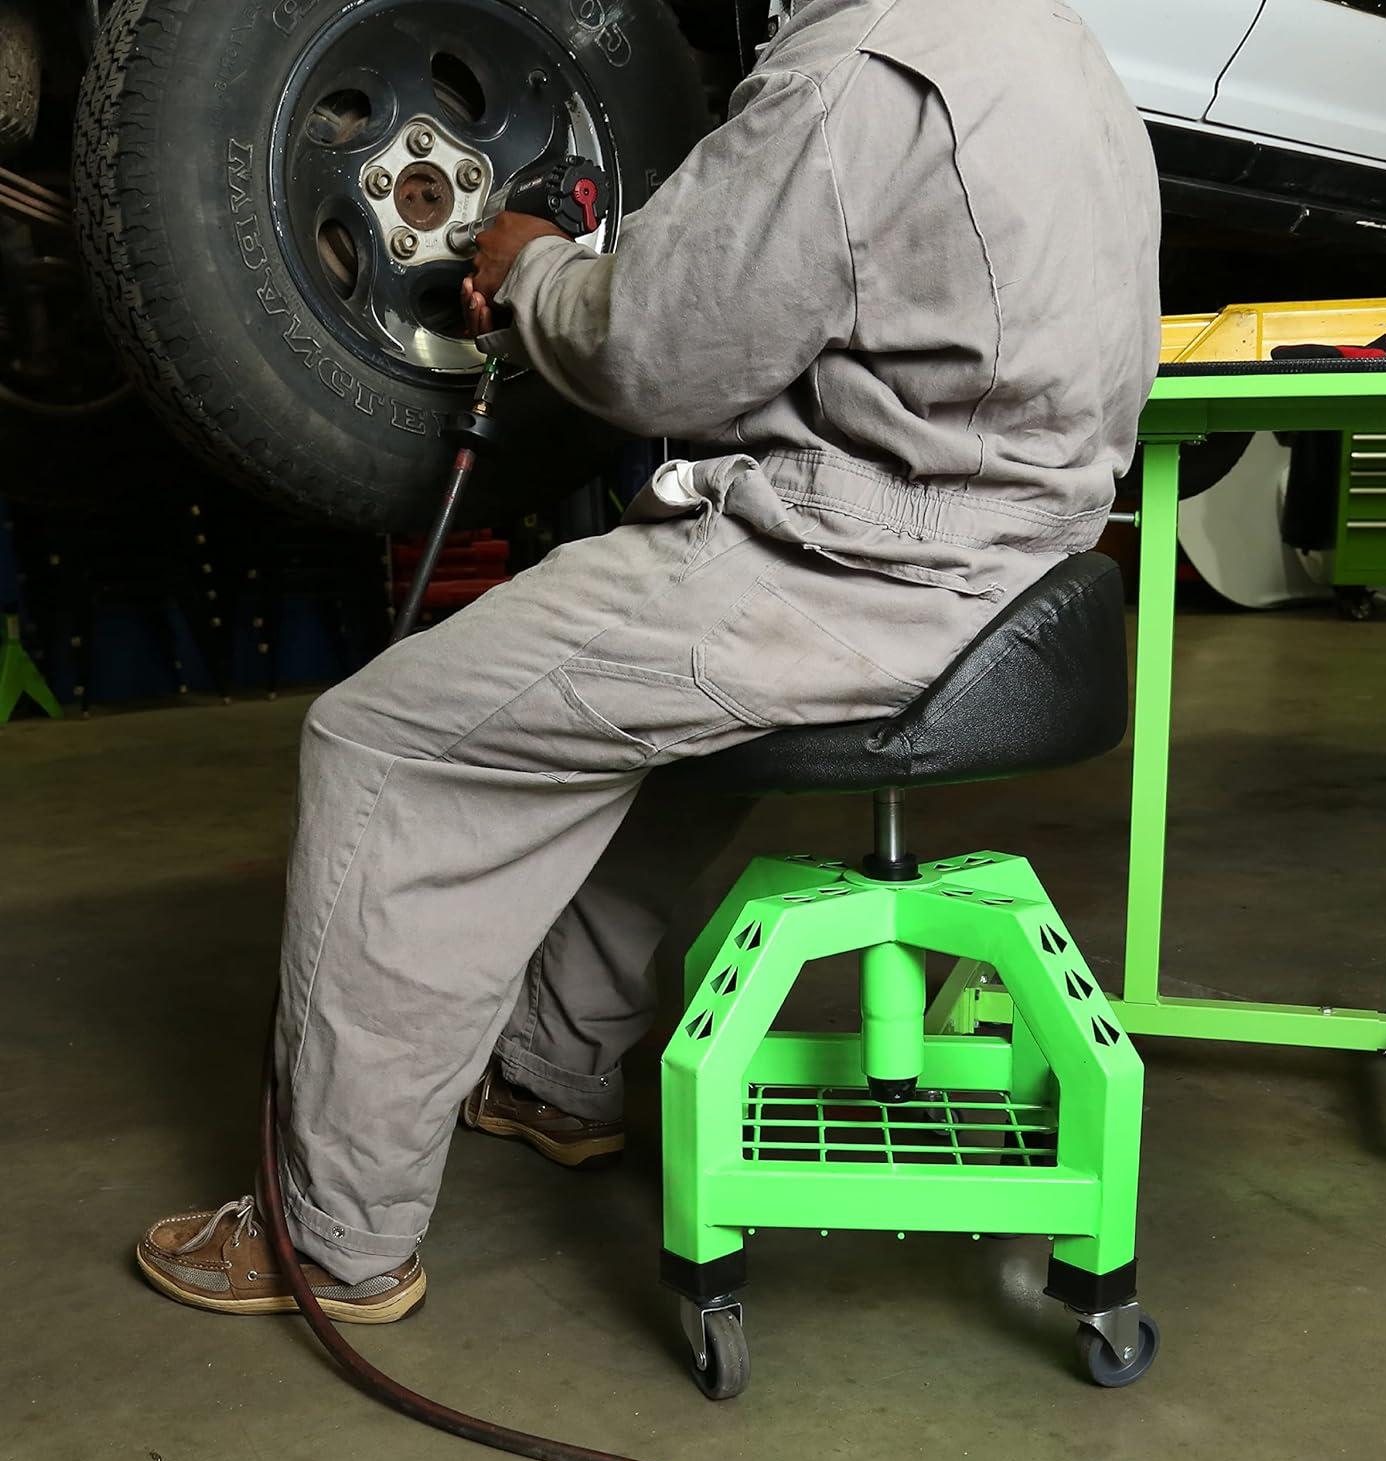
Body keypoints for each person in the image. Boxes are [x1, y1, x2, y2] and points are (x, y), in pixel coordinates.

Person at [136, 0, 1160, 1322]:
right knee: (649, 735)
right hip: (1029, 559)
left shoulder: (855, 75)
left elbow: (654, 354)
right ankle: (556, 1075)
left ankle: (330, 1239)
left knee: (381, 740)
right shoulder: (1052, 44)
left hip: (858, 570)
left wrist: (535, 263)